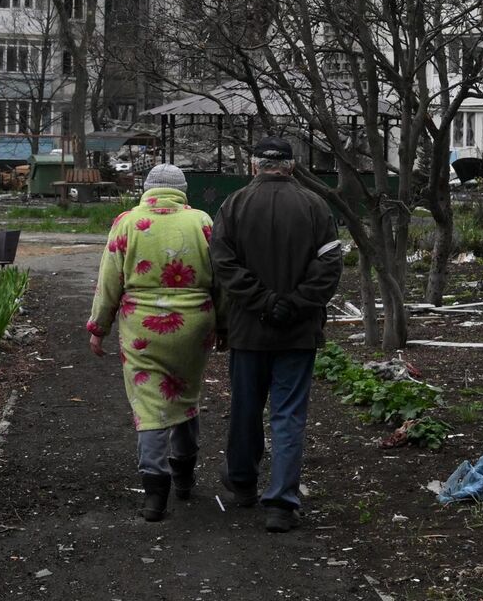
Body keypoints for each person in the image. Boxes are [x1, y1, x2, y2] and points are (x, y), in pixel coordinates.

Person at [209, 135, 343, 533]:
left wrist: (262, 302)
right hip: (298, 332)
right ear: (291, 166)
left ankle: (243, 484)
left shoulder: (232, 206)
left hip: (249, 330)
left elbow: (224, 264)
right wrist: (295, 303)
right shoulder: (315, 206)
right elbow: (330, 264)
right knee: (288, 416)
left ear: (254, 166)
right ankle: (282, 503)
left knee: (246, 410)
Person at [86, 163, 221, 522]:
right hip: (194, 323)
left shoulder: (127, 222)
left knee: (151, 405)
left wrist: (99, 326)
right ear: (183, 190)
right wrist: (222, 323)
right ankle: (185, 477)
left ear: (146, 189)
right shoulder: (203, 222)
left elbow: (109, 280)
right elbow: (222, 275)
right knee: (186, 394)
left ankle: (155, 497)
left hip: (143, 328)